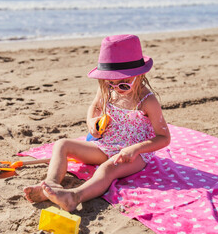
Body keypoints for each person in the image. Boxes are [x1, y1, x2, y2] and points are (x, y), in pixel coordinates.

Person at [23, 34, 171, 212]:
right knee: (62, 144)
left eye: (123, 85)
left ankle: (74, 196)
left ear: (140, 75)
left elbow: (164, 137)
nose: (116, 88)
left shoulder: (147, 101)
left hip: (134, 155)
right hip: (105, 145)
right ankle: (51, 185)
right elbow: (95, 107)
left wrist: (135, 149)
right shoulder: (106, 89)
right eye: (111, 84)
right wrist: (92, 122)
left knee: (108, 169)